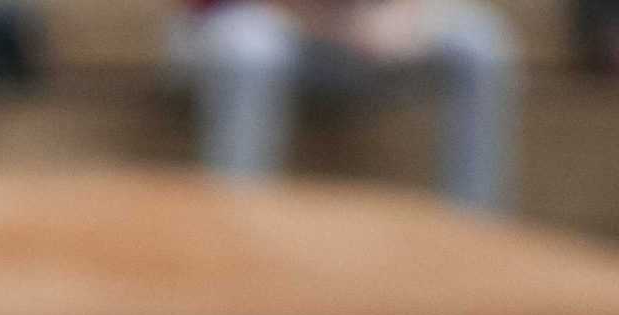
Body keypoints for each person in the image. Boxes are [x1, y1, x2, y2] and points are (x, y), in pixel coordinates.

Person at [170, 1, 521, 212]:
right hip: (243, 23)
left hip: (358, 35)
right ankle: (237, 224)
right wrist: (332, 23)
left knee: (480, 44)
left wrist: (404, 11)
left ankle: (475, 229)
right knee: (250, 49)